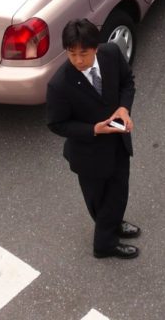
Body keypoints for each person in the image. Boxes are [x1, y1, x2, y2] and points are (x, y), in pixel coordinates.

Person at [47, 19, 141, 259]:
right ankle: (104, 245)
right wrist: (93, 130)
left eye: (84, 53)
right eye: (72, 54)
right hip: (88, 154)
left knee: (119, 191)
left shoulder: (111, 54)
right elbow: (57, 124)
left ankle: (113, 225)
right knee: (98, 200)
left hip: (118, 142)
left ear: (96, 48)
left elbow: (127, 82)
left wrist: (124, 108)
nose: (78, 60)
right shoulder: (59, 84)